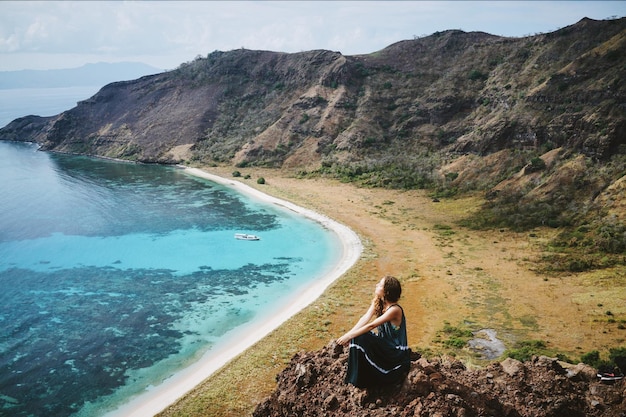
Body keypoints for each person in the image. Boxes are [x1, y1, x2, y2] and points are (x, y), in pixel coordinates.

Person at [336, 275, 410, 388]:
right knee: (358, 336)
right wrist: (348, 335)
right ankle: (356, 378)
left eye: (380, 285)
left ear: (387, 291)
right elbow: (365, 318)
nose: (376, 285)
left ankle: (366, 379)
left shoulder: (395, 310)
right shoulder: (379, 303)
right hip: (384, 345)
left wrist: (349, 336)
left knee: (361, 335)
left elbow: (371, 325)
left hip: (395, 351)